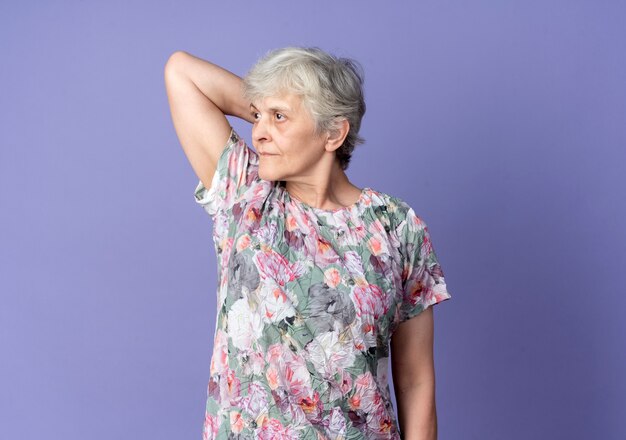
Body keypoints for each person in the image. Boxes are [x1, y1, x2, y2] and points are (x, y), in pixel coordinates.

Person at [164, 47, 452, 440]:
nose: (259, 131)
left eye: (278, 117)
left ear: (333, 133)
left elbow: (416, 381)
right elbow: (182, 71)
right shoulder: (246, 194)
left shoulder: (396, 225)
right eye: (257, 116)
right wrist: (268, 106)